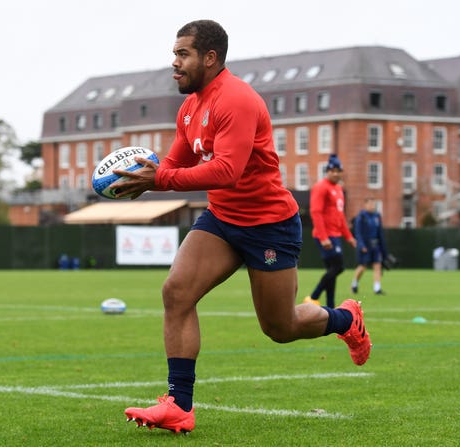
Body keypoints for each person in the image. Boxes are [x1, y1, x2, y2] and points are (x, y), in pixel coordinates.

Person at [113, 20, 371, 433]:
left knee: (280, 327)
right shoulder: (189, 108)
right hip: (222, 220)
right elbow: (175, 165)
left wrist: (159, 179)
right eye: (174, 54)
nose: (174, 64)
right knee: (176, 292)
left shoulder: (237, 99)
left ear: (210, 58)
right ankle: (179, 404)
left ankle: (345, 319)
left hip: (269, 225)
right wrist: (139, 176)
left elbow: (227, 170)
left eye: (183, 54)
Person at [303, 154, 357, 308]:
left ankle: (330, 306)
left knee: (332, 271)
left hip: (336, 235)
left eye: (338, 170)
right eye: (332, 170)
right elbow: (316, 212)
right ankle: (313, 296)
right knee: (338, 267)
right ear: (327, 171)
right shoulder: (321, 187)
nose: (335, 173)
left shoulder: (339, 189)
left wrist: (349, 237)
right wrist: (323, 237)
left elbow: (340, 216)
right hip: (326, 236)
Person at [351, 197, 388, 295]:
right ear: (366, 205)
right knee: (363, 266)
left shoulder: (377, 216)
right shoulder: (361, 216)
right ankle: (354, 283)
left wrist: (383, 249)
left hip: (375, 245)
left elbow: (380, 233)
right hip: (365, 245)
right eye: (370, 204)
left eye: (373, 204)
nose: (372, 206)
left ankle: (377, 288)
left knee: (377, 265)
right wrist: (361, 245)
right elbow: (358, 233)